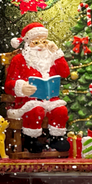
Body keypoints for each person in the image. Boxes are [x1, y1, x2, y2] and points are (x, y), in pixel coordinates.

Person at [5, 23, 70, 153]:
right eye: (36, 42)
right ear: (27, 43)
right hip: (28, 100)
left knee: (61, 110)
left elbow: (65, 73)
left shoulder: (51, 58)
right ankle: (31, 139)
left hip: (50, 99)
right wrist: (21, 87)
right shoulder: (19, 60)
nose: (40, 45)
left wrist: (56, 53)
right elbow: (8, 85)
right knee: (36, 110)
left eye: (44, 41)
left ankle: (56, 138)